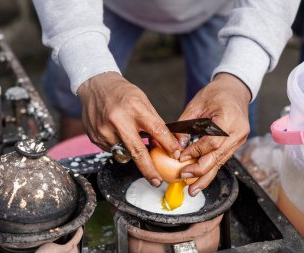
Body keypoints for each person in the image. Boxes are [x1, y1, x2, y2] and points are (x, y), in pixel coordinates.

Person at [32, 0, 300, 197]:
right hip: (104, 7)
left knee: (223, 132)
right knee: (81, 101)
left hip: (219, 9)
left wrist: (239, 79)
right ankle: (74, 192)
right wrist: (90, 72)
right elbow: (86, 74)